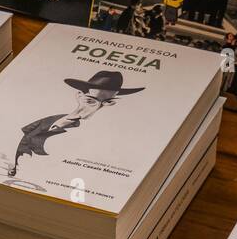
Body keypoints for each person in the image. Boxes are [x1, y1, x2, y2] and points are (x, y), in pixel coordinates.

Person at [7, 70, 144, 177]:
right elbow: (24, 137)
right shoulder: (52, 119)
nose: (96, 108)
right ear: (79, 95)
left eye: (108, 102)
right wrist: (14, 163)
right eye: (91, 101)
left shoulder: (103, 135)